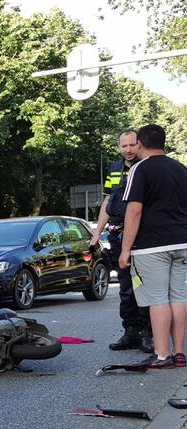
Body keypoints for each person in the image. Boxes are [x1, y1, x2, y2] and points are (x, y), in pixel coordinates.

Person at [117, 124, 187, 368]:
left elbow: (134, 211)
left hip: (151, 246)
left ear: (140, 143)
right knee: (178, 298)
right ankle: (180, 353)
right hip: (182, 242)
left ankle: (162, 355)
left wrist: (125, 249)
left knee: (158, 300)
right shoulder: (181, 168)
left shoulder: (140, 169)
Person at [91, 129, 153, 353]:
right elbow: (108, 201)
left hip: (143, 236)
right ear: (119, 147)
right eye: (123, 145)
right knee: (126, 288)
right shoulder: (115, 168)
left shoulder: (147, 167)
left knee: (144, 287)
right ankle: (130, 331)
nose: (128, 149)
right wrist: (96, 234)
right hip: (118, 236)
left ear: (140, 144)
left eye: (132, 144)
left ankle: (148, 332)